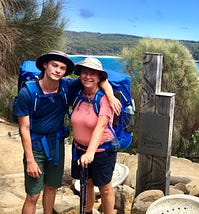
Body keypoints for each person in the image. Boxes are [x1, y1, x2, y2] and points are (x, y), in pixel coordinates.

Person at [14, 50, 121, 214]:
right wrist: (30, 160)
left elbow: (97, 79)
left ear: (65, 72)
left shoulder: (67, 86)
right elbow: (24, 128)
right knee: (33, 195)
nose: (57, 70)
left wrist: (110, 95)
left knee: (51, 188)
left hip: (58, 146)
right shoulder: (28, 93)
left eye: (62, 68)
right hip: (37, 147)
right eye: (54, 65)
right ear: (45, 65)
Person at [71, 57, 117, 214]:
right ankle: (88, 211)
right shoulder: (78, 94)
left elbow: (101, 126)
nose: (88, 76)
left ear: (99, 78)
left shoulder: (105, 100)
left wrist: (90, 152)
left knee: (104, 188)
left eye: (93, 73)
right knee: (87, 184)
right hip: (79, 149)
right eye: (85, 72)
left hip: (102, 152)